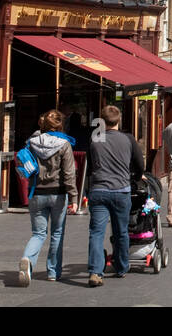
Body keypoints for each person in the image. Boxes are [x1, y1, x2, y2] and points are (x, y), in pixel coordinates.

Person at [85, 104, 144, 287]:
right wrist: (135, 175)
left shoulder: (95, 140)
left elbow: (90, 166)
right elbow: (139, 164)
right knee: (121, 232)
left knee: (96, 233)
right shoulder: (128, 139)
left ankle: (95, 271)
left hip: (99, 190)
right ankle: (121, 267)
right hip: (121, 191)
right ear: (119, 120)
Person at [19, 110, 77, 286]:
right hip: (58, 193)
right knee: (57, 233)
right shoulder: (64, 144)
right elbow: (69, 173)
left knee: (38, 233)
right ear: (60, 125)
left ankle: (27, 260)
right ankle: (53, 272)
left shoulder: (31, 143)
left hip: (37, 192)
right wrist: (73, 198)